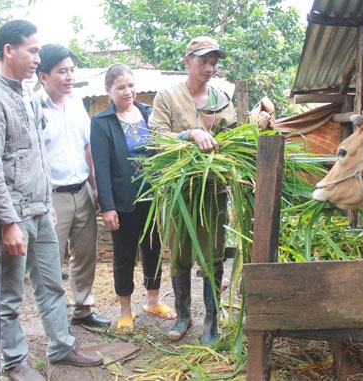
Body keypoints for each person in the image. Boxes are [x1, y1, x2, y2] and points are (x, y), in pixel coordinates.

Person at [0, 20, 102, 381]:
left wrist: (46, 203)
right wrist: (8, 223)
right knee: (9, 296)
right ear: (9, 51)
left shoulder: (27, 94)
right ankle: (14, 361)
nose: (37, 58)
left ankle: (61, 345)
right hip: (14, 216)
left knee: (51, 284)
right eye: (32, 50)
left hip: (42, 211)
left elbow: (36, 156)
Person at [148, 36, 237, 343]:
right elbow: (157, 136)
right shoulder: (167, 97)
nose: (210, 68)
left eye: (214, 63)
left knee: (213, 254)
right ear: (187, 61)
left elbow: (234, 140)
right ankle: (183, 315)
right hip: (179, 193)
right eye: (203, 62)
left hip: (211, 192)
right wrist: (190, 133)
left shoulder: (222, 99)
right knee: (180, 254)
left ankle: (211, 320)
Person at [91, 63, 177, 334]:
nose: (127, 92)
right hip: (123, 199)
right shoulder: (102, 121)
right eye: (120, 87)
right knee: (124, 255)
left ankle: (152, 301)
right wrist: (108, 206)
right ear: (108, 90)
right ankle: (125, 311)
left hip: (152, 196)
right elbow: (101, 166)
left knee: (153, 249)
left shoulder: (149, 113)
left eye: (130, 85)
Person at [36, 43, 110, 329]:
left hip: (81, 190)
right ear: (44, 76)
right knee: (50, 260)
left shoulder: (77, 102)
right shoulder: (34, 107)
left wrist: (95, 187)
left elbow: (87, 147)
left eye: (71, 70)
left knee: (85, 253)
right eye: (61, 71)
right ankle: (53, 320)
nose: (68, 77)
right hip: (53, 196)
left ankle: (82, 310)